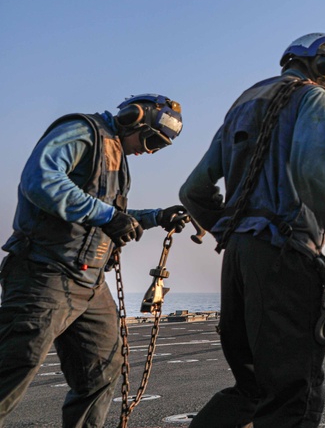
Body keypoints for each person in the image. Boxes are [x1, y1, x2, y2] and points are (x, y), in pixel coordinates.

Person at [180, 32, 325, 428]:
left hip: (237, 261)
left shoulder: (242, 105)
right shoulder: (312, 97)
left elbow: (193, 191)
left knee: (250, 389)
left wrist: (238, 232)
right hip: (285, 260)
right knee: (290, 400)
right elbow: (315, 180)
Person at [0, 94, 187, 428]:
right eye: (152, 139)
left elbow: (107, 214)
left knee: (102, 369)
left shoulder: (115, 154)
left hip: (89, 283)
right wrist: (107, 215)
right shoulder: (83, 132)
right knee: (15, 365)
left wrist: (157, 216)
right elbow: (41, 180)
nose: (151, 150)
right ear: (133, 118)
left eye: (161, 147)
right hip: (44, 271)